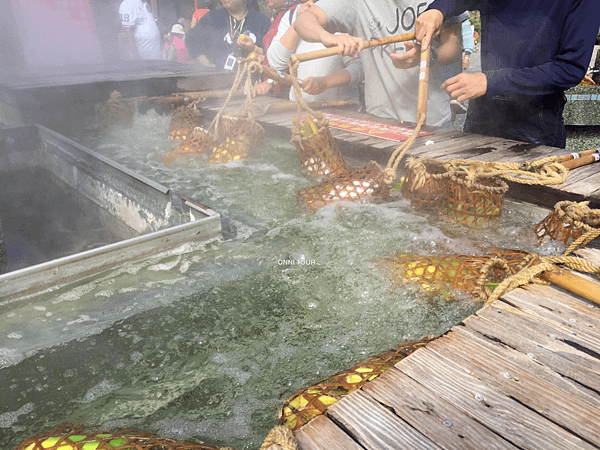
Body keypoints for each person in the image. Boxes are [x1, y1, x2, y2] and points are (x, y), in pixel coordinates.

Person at [415, 0, 599, 148]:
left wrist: (490, 82)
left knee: (529, 192)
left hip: (536, 125)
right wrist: (438, 9)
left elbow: (570, 68)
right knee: (466, 187)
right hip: (482, 114)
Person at [293, 1, 464, 127]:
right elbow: (304, 20)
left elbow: (454, 47)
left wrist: (427, 57)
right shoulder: (358, 3)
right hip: (379, 120)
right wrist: (327, 36)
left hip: (433, 120)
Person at [264, 0, 364, 103]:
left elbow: (360, 67)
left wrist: (325, 82)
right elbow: (276, 64)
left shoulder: (343, 12)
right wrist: (298, 24)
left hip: (340, 110)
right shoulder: (291, 15)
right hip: (298, 108)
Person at [185, 0, 271, 71]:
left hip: (253, 83)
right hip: (217, 84)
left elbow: (271, 55)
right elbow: (191, 40)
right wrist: (206, 64)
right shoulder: (212, 17)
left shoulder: (263, 21)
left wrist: (254, 49)